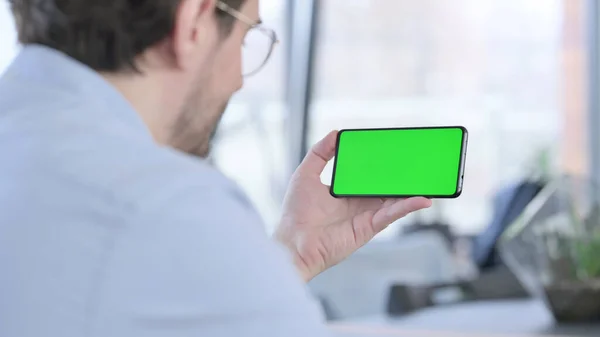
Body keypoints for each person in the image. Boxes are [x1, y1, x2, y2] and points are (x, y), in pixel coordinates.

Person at [0, 0, 432, 336]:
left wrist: (286, 259)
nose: (240, 80)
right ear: (194, 21)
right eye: (247, 38)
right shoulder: (169, 207)